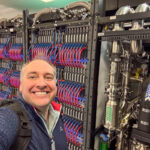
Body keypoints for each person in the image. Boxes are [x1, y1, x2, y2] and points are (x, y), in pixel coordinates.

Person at [0, 58, 68, 150]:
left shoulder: (56, 116)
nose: (41, 84)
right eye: (32, 77)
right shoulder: (10, 115)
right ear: (21, 86)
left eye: (48, 77)